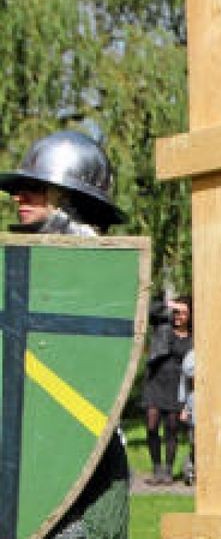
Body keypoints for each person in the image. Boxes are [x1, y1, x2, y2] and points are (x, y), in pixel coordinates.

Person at [0, 130, 131, 537]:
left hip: (82, 455)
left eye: (34, 190)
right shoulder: (22, 275)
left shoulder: (92, 276)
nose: (18, 198)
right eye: (18, 190)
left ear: (70, 198)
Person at [142, 295, 193, 485]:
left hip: (176, 386)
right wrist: (169, 304)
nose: (179, 315)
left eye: (183, 312)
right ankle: (156, 468)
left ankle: (168, 471)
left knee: (172, 428)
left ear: (190, 315)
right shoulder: (162, 325)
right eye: (177, 312)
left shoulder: (193, 337)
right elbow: (149, 310)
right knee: (152, 425)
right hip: (155, 381)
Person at [178, 348, 196, 486]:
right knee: (195, 442)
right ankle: (190, 470)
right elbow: (187, 374)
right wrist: (184, 407)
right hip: (194, 405)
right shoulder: (191, 355)